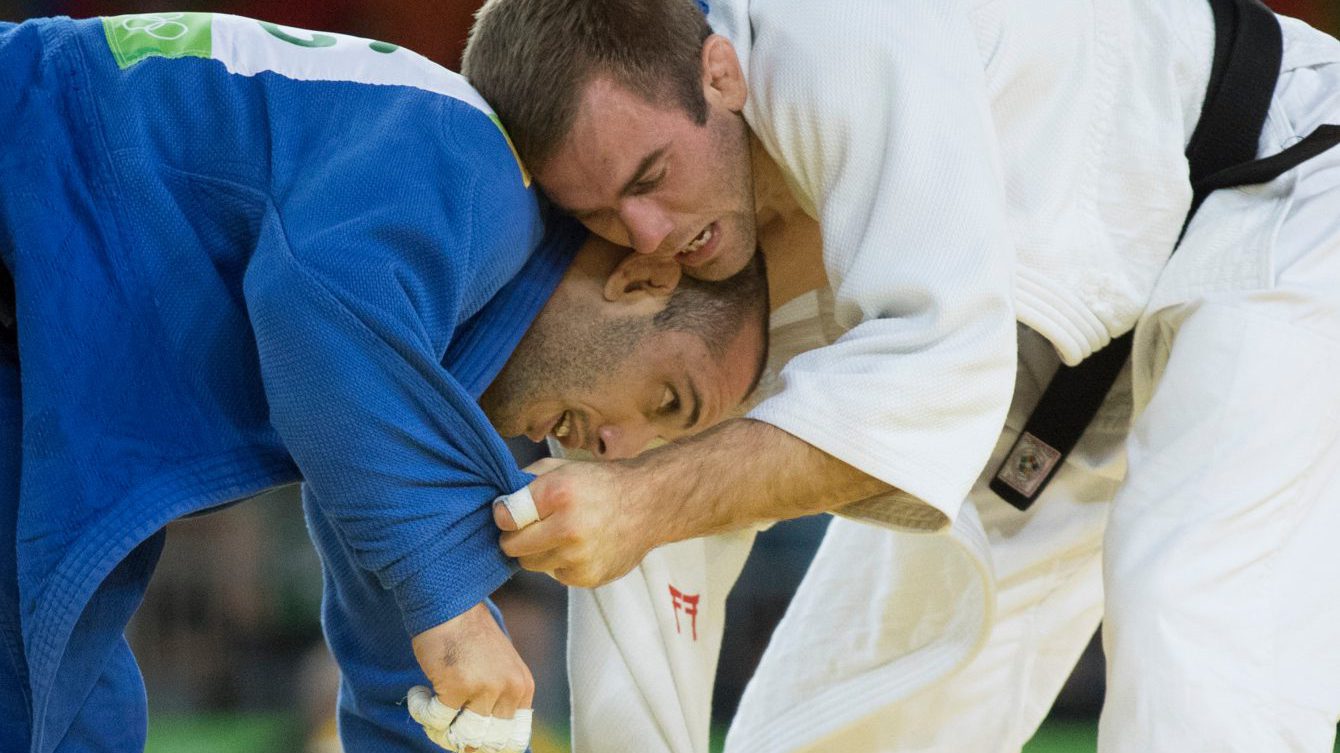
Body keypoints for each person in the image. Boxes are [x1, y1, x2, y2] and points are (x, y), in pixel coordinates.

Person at [463, 0, 1340, 750]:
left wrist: (644, 501)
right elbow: (649, 570)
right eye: (604, 215)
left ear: (721, 74)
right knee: (815, 729)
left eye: (651, 178)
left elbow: (936, 381)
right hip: (1060, 363)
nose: (647, 231)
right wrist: (634, 506)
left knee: (1190, 630)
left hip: (1276, 187)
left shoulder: (835, 33)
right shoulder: (692, 247)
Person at [0, 12, 767, 753]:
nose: (615, 447)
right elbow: (317, 304)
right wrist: (457, 613)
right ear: (639, 280)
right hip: (26, 159)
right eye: (667, 400)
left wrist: (460, 687)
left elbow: (407, 673)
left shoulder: (417, 402)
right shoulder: (474, 165)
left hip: (44, 319)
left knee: (68, 716)